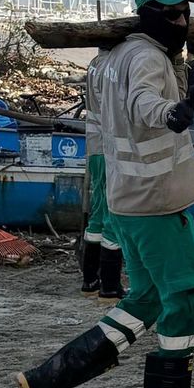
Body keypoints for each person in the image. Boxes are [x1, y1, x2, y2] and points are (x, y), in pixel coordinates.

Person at [16, 0, 194, 388]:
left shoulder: (111, 58)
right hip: (156, 200)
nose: (182, 21)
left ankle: (47, 380)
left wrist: (184, 75)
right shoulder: (146, 56)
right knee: (186, 295)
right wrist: (172, 112)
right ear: (148, 15)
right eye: (171, 13)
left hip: (127, 197)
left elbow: (134, 99)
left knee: (147, 300)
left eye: (185, 12)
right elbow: (145, 102)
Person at [78, 46, 126, 302]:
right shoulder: (115, 66)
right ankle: (109, 284)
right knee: (112, 214)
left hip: (95, 146)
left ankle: (90, 280)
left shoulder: (95, 63)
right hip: (111, 148)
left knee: (98, 211)